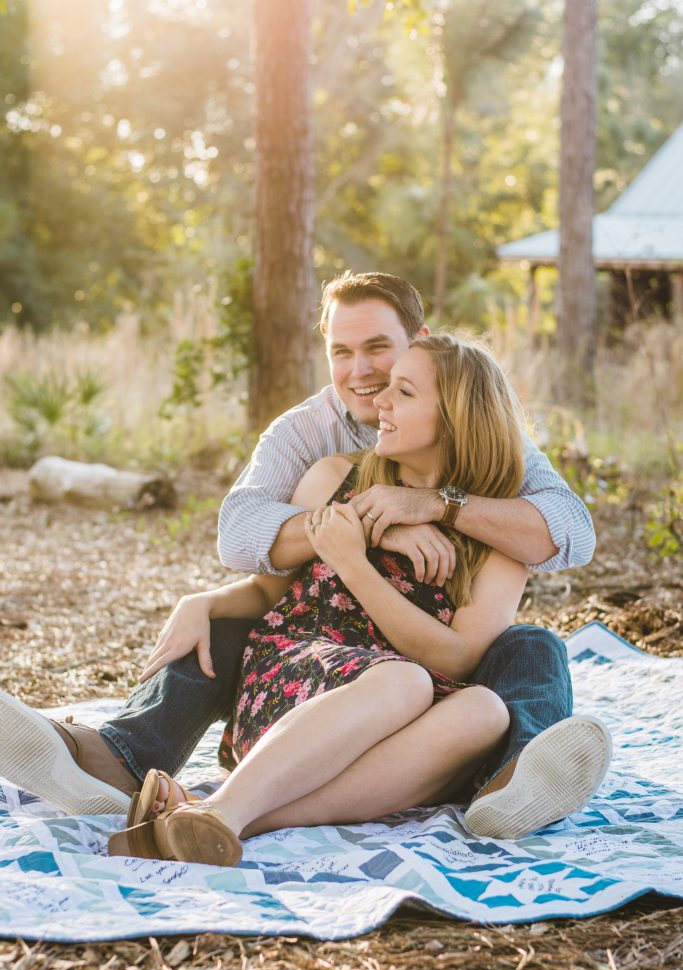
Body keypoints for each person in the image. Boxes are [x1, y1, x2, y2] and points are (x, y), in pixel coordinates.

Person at [0, 272, 600, 841]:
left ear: (422, 349)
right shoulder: (313, 444)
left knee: (516, 670)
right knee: (303, 649)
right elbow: (241, 540)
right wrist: (363, 529)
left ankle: (512, 784)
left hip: (411, 678)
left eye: (381, 355)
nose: (366, 379)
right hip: (323, 671)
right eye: (342, 352)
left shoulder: (490, 435)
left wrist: (430, 505)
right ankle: (115, 756)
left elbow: (568, 530)